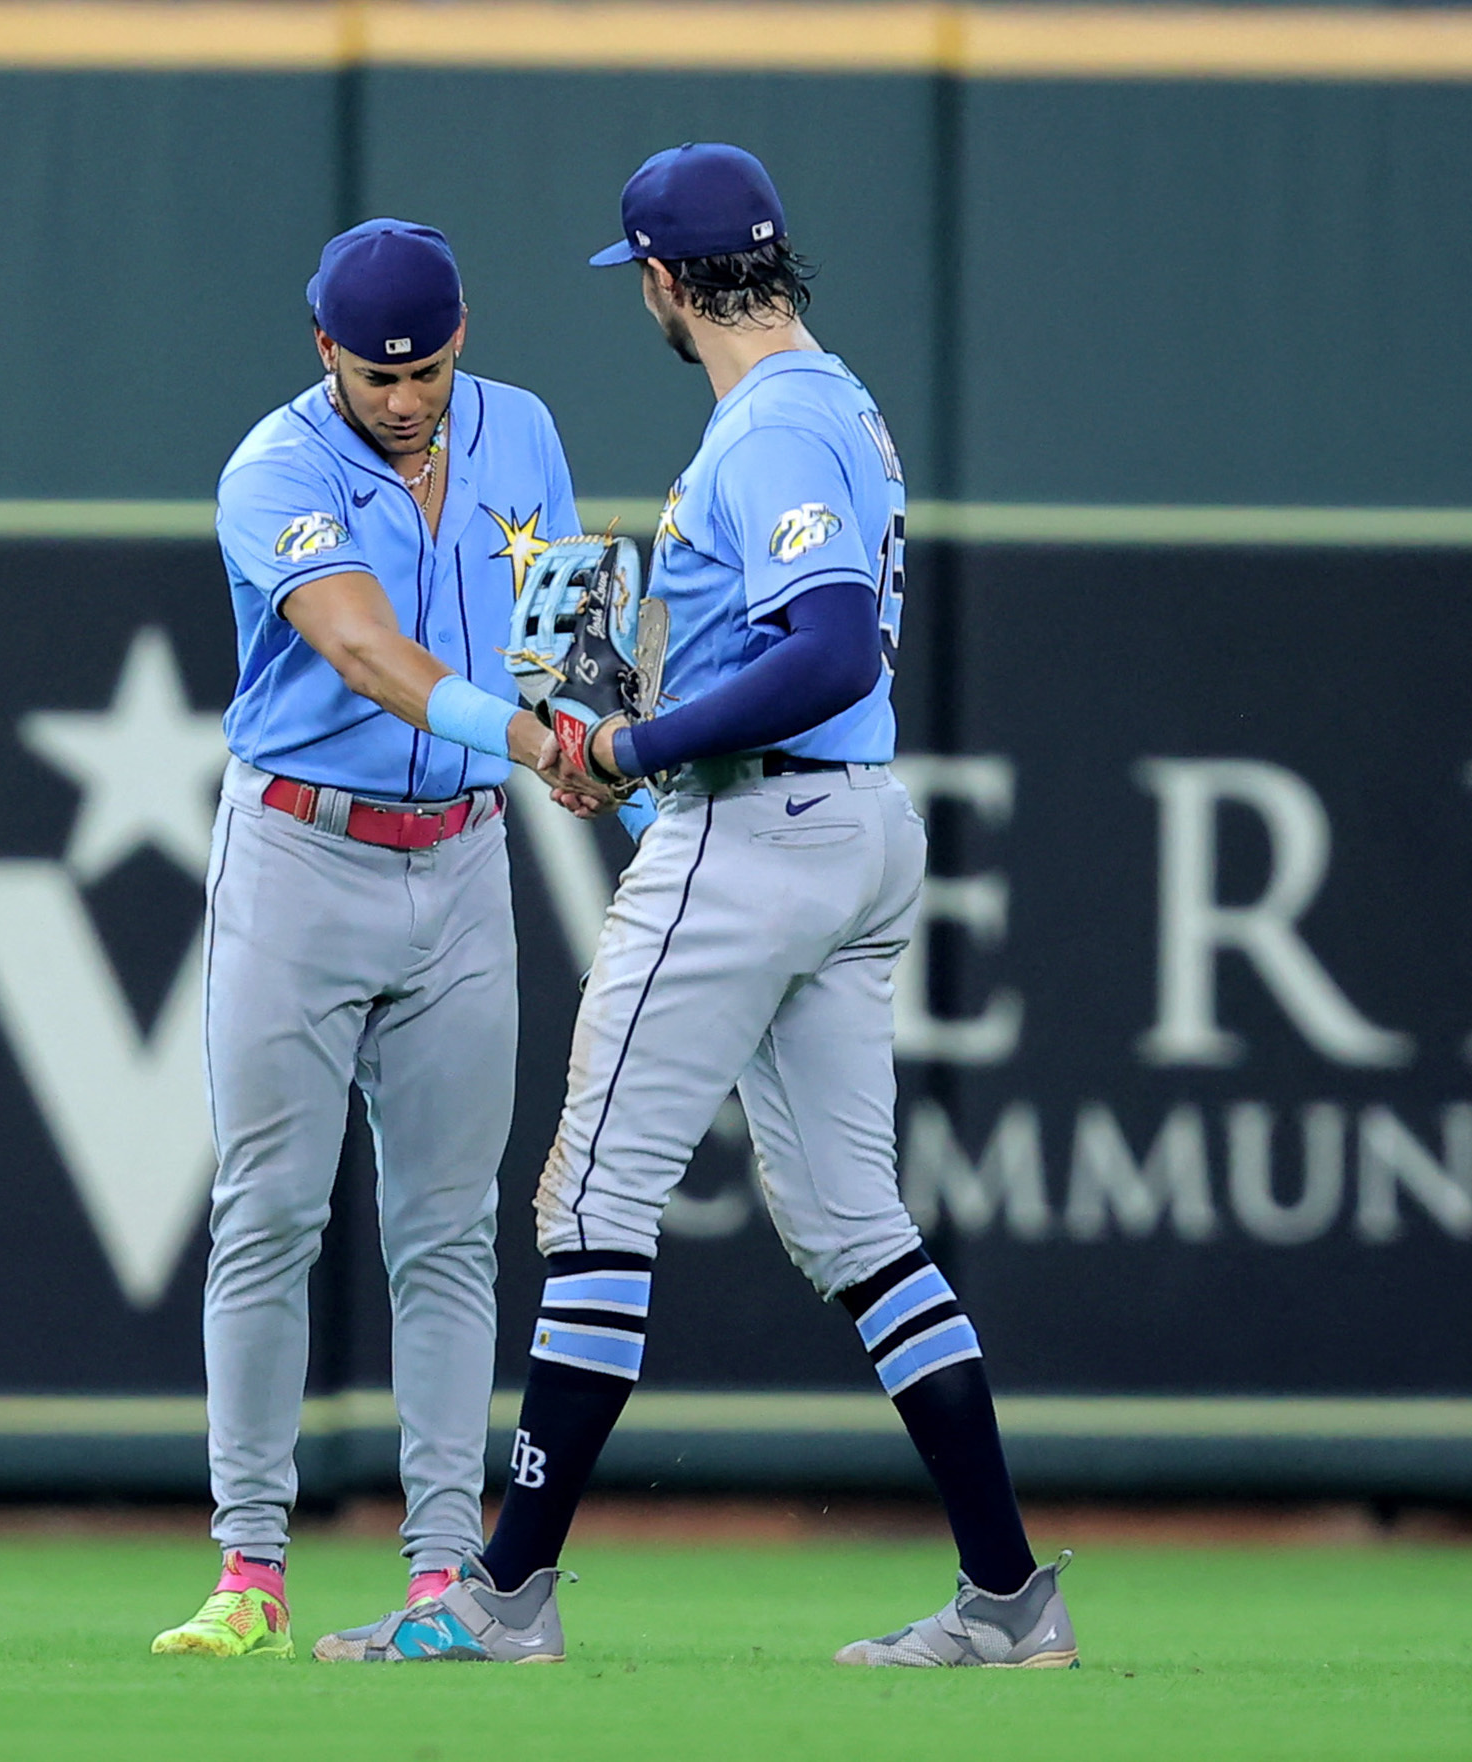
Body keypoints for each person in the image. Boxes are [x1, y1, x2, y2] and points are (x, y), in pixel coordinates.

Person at [322, 145, 1074, 1668]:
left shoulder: (773, 425)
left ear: (664, 281)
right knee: (856, 1221)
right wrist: (610, 717)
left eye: (642, 285)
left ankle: (499, 1594)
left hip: (765, 823)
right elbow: (766, 645)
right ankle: (1006, 1598)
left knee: (590, 1204)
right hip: (845, 824)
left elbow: (834, 647)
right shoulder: (826, 400)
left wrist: (628, 743)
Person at [151, 220, 608, 1658]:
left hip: (462, 859)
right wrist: (531, 733)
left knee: (447, 1232)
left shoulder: (518, 430)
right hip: (299, 848)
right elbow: (357, 645)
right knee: (269, 1212)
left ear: (461, 338)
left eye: (424, 368)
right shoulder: (274, 465)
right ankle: (249, 1569)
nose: (402, 397)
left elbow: (557, 631)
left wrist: (594, 747)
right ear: (321, 351)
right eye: (373, 372)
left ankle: (434, 1570)